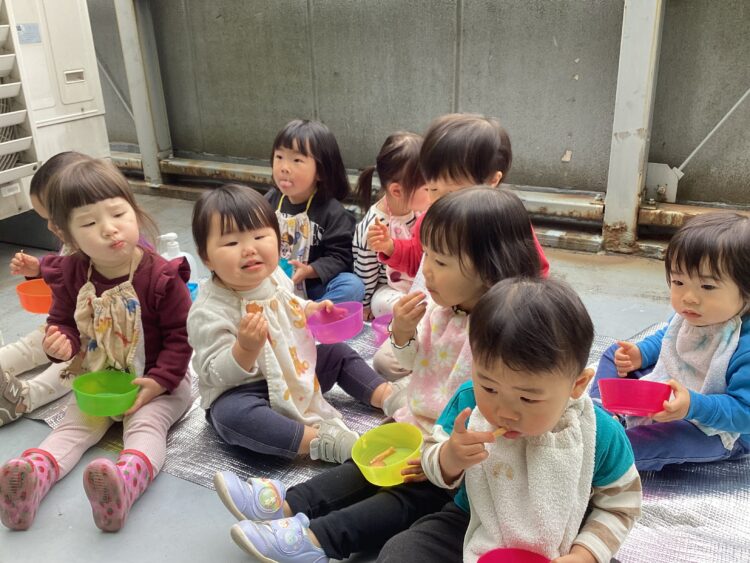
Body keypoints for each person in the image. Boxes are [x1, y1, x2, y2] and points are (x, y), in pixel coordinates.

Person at [214, 187, 542, 563]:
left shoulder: (503, 335)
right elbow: (414, 361)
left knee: (404, 498)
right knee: (362, 467)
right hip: (415, 428)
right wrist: (402, 332)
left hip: (456, 460)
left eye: (440, 262)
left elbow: (503, 417)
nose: (425, 271)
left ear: (490, 267)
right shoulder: (442, 309)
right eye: (427, 256)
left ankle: (316, 540)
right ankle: (288, 503)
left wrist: (444, 456)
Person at [380, 278, 642, 563]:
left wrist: (586, 554)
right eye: (489, 387)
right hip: (475, 521)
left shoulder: (597, 432)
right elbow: (431, 459)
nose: (504, 412)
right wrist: (449, 457)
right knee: (401, 551)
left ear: (577, 385)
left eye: (527, 398)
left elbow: (621, 505)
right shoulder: (469, 404)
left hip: (563, 540)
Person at [0, 158, 193, 532]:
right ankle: (32, 477)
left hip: (158, 383)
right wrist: (61, 343)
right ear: (69, 237)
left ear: (134, 210)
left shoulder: (162, 277)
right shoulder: (73, 272)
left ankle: (125, 483)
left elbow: (181, 337)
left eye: (118, 213)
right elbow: (63, 321)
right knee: (73, 426)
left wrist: (158, 382)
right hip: (100, 379)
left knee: (145, 426)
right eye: (89, 223)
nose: (109, 228)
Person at [188, 184, 392, 464]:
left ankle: (387, 397)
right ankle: (320, 442)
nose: (249, 249)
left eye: (260, 236)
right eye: (232, 243)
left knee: (337, 353)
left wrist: (311, 310)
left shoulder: (274, 277)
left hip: (292, 372)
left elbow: (289, 304)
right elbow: (214, 374)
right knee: (229, 416)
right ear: (206, 257)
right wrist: (244, 350)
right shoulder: (209, 310)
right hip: (247, 389)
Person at [368, 113, 550, 380]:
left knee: (494, 371)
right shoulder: (431, 218)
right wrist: (392, 248)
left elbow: (535, 273)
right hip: (438, 312)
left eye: (452, 192)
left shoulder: (502, 223)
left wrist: (516, 313)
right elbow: (417, 257)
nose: (440, 202)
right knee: (386, 361)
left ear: (492, 180)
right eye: (432, 189)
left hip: (489, 325)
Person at [590, 212, 750, 471]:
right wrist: (640, 354)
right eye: (678, 282)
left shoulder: (742, 345)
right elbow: (671, 337)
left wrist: (693, 406)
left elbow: (744, 412)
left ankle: (605, 455)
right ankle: (601, 414)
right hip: (675, 393)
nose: (689, 297)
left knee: (658, 440)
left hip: (718, 429)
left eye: (707, 287)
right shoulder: (697, 313)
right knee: (614, 355)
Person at [0, 151, 89, 426]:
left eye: (54, 218)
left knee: (75, 364)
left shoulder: (119, 247)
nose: (50, 226)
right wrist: (38, 270)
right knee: (33, 343)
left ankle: (24, 398)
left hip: (102, 335)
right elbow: (65, 268)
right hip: (69, 322)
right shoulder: (74, 238)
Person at [264, 119, 364, 303]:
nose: (284, 167)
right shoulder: (269, 201)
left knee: (352, 285)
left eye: (297, 160)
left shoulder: (333, 213)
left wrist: (310, 271)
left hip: (312, 288)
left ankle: (308, 315)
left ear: (321, 171)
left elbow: (340, 257)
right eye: (279, 157)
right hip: (272, 281)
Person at [352, 132, 429, 320]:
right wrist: (364, 305)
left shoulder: (419, 210)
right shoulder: (374, 226)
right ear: (397, 191)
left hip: (419, 280)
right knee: (392, 304)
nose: (434, 192)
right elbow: (365, 271)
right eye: (428, 188)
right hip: (388, 288)